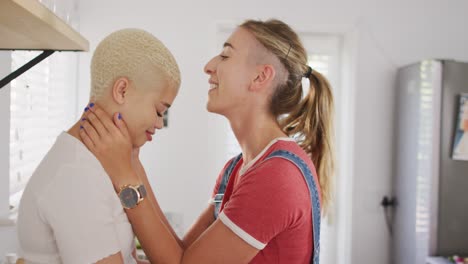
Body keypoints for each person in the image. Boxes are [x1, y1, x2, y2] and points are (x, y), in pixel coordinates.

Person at [80, 19, 335, 264]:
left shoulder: (277, 177)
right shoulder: (235, 170)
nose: (209, 66)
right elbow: (180, 254)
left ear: (260, 77)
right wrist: (132, 160)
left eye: (225, 55)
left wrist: (124, 176)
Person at [16, 28, 181, 264]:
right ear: (122, 90)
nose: (158, 123)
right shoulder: (75, 175)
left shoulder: (103, 164)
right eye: (158, 111)